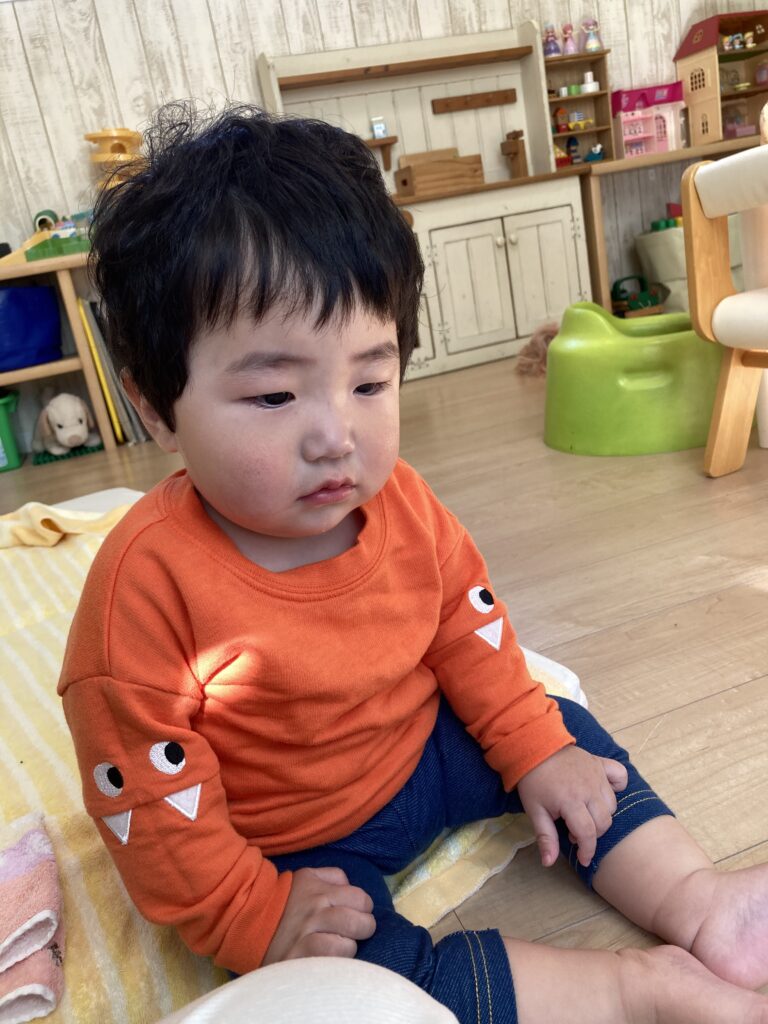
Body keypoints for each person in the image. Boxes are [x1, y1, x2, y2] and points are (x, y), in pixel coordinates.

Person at [59, 104, 768, 1024]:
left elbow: (467, 628)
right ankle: (636, 992)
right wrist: (253, 913)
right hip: (296, 848)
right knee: (346, 989)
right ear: (156, 406)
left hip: (430, 752)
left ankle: (701, 905)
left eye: (369, 380)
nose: (336, 435)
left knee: (561, 729)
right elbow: (154, 809)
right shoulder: (142, 592)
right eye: (273, 395)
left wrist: (531, 748)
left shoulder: (400, 500)